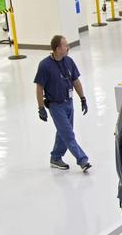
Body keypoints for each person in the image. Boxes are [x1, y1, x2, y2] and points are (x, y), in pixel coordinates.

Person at [34, 35, 91, 171]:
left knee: (63, 132)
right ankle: (82, 160)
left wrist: (83, 98)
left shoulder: (69, 61)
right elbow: (39, 87)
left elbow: (76, 81)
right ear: (58, 49)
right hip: (56, 106)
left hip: (69, 103)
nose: (68, 48)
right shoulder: (45, 65)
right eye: (65, 46)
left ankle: (55, 157)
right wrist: (41, 107)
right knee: (68, 134)